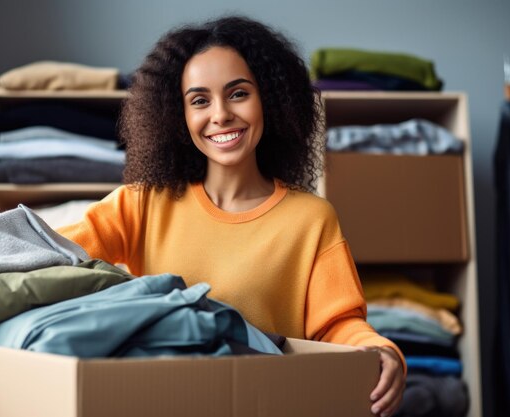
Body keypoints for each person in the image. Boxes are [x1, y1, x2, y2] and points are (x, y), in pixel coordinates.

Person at [58, 15, 405, 417]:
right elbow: (53, 257)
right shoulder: (141, 204)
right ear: (178, 116)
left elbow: (336, 326)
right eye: (200, 100)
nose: (220, 114)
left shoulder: (311, 219)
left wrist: (382, 351)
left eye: (238, 93)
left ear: (270, 100)